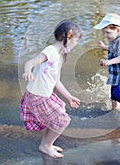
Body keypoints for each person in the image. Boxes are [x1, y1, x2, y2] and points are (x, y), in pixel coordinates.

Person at [20, 20, 82, 158]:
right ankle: (46, 145)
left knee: (57, 120)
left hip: (45, 95)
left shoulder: (60, 55)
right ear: (69, 36)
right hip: (37, 96)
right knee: (63, 120)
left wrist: (69, 96)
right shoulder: (50, 51)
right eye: (76, 40)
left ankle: (46, 144)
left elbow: (56, 81)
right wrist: (28, 71)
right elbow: (30, 62)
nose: (77, 44)